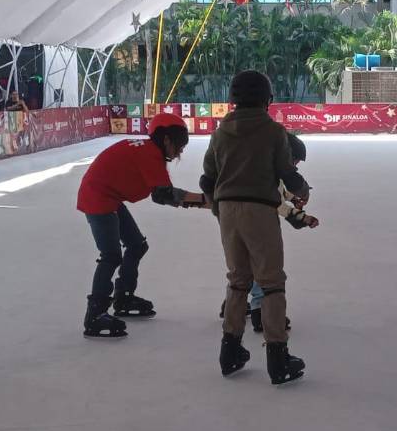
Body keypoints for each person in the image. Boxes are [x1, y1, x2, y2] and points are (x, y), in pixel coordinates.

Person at [200, 70, 311, 385]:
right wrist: (302, 191)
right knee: (272, 283)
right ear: (268, 100)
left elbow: (207, 179)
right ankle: (278, 359)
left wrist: (219, 210)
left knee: (238, 281)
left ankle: (230, 352)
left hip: (227, 209)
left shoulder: (219, 134)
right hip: (259, 210)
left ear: (232, 100)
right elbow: (287, 174)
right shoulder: (273, 131)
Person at [76, 113, 205, 339]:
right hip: (97, 197)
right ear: (166, 140)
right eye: (180, 146)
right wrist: (207, 201)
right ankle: (95, 315)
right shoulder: (149, 154)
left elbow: (161, 191)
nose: (180, 152)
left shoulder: (149, 150)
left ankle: (123, 298)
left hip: (110, 196)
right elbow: (163, 195)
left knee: (136, 246)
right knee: (111, 255)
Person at [218, 133, 319, 333]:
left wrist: (291, 197)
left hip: (232, 217)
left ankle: (230, 307)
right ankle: (260, 313)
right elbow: (276, 203)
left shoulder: (258, 163)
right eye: (295, 160)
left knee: (243, 267)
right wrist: (302, 217)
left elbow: (279, 191)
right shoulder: (268, 172)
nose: (296, 166)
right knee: (263, 266)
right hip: (255, 221)